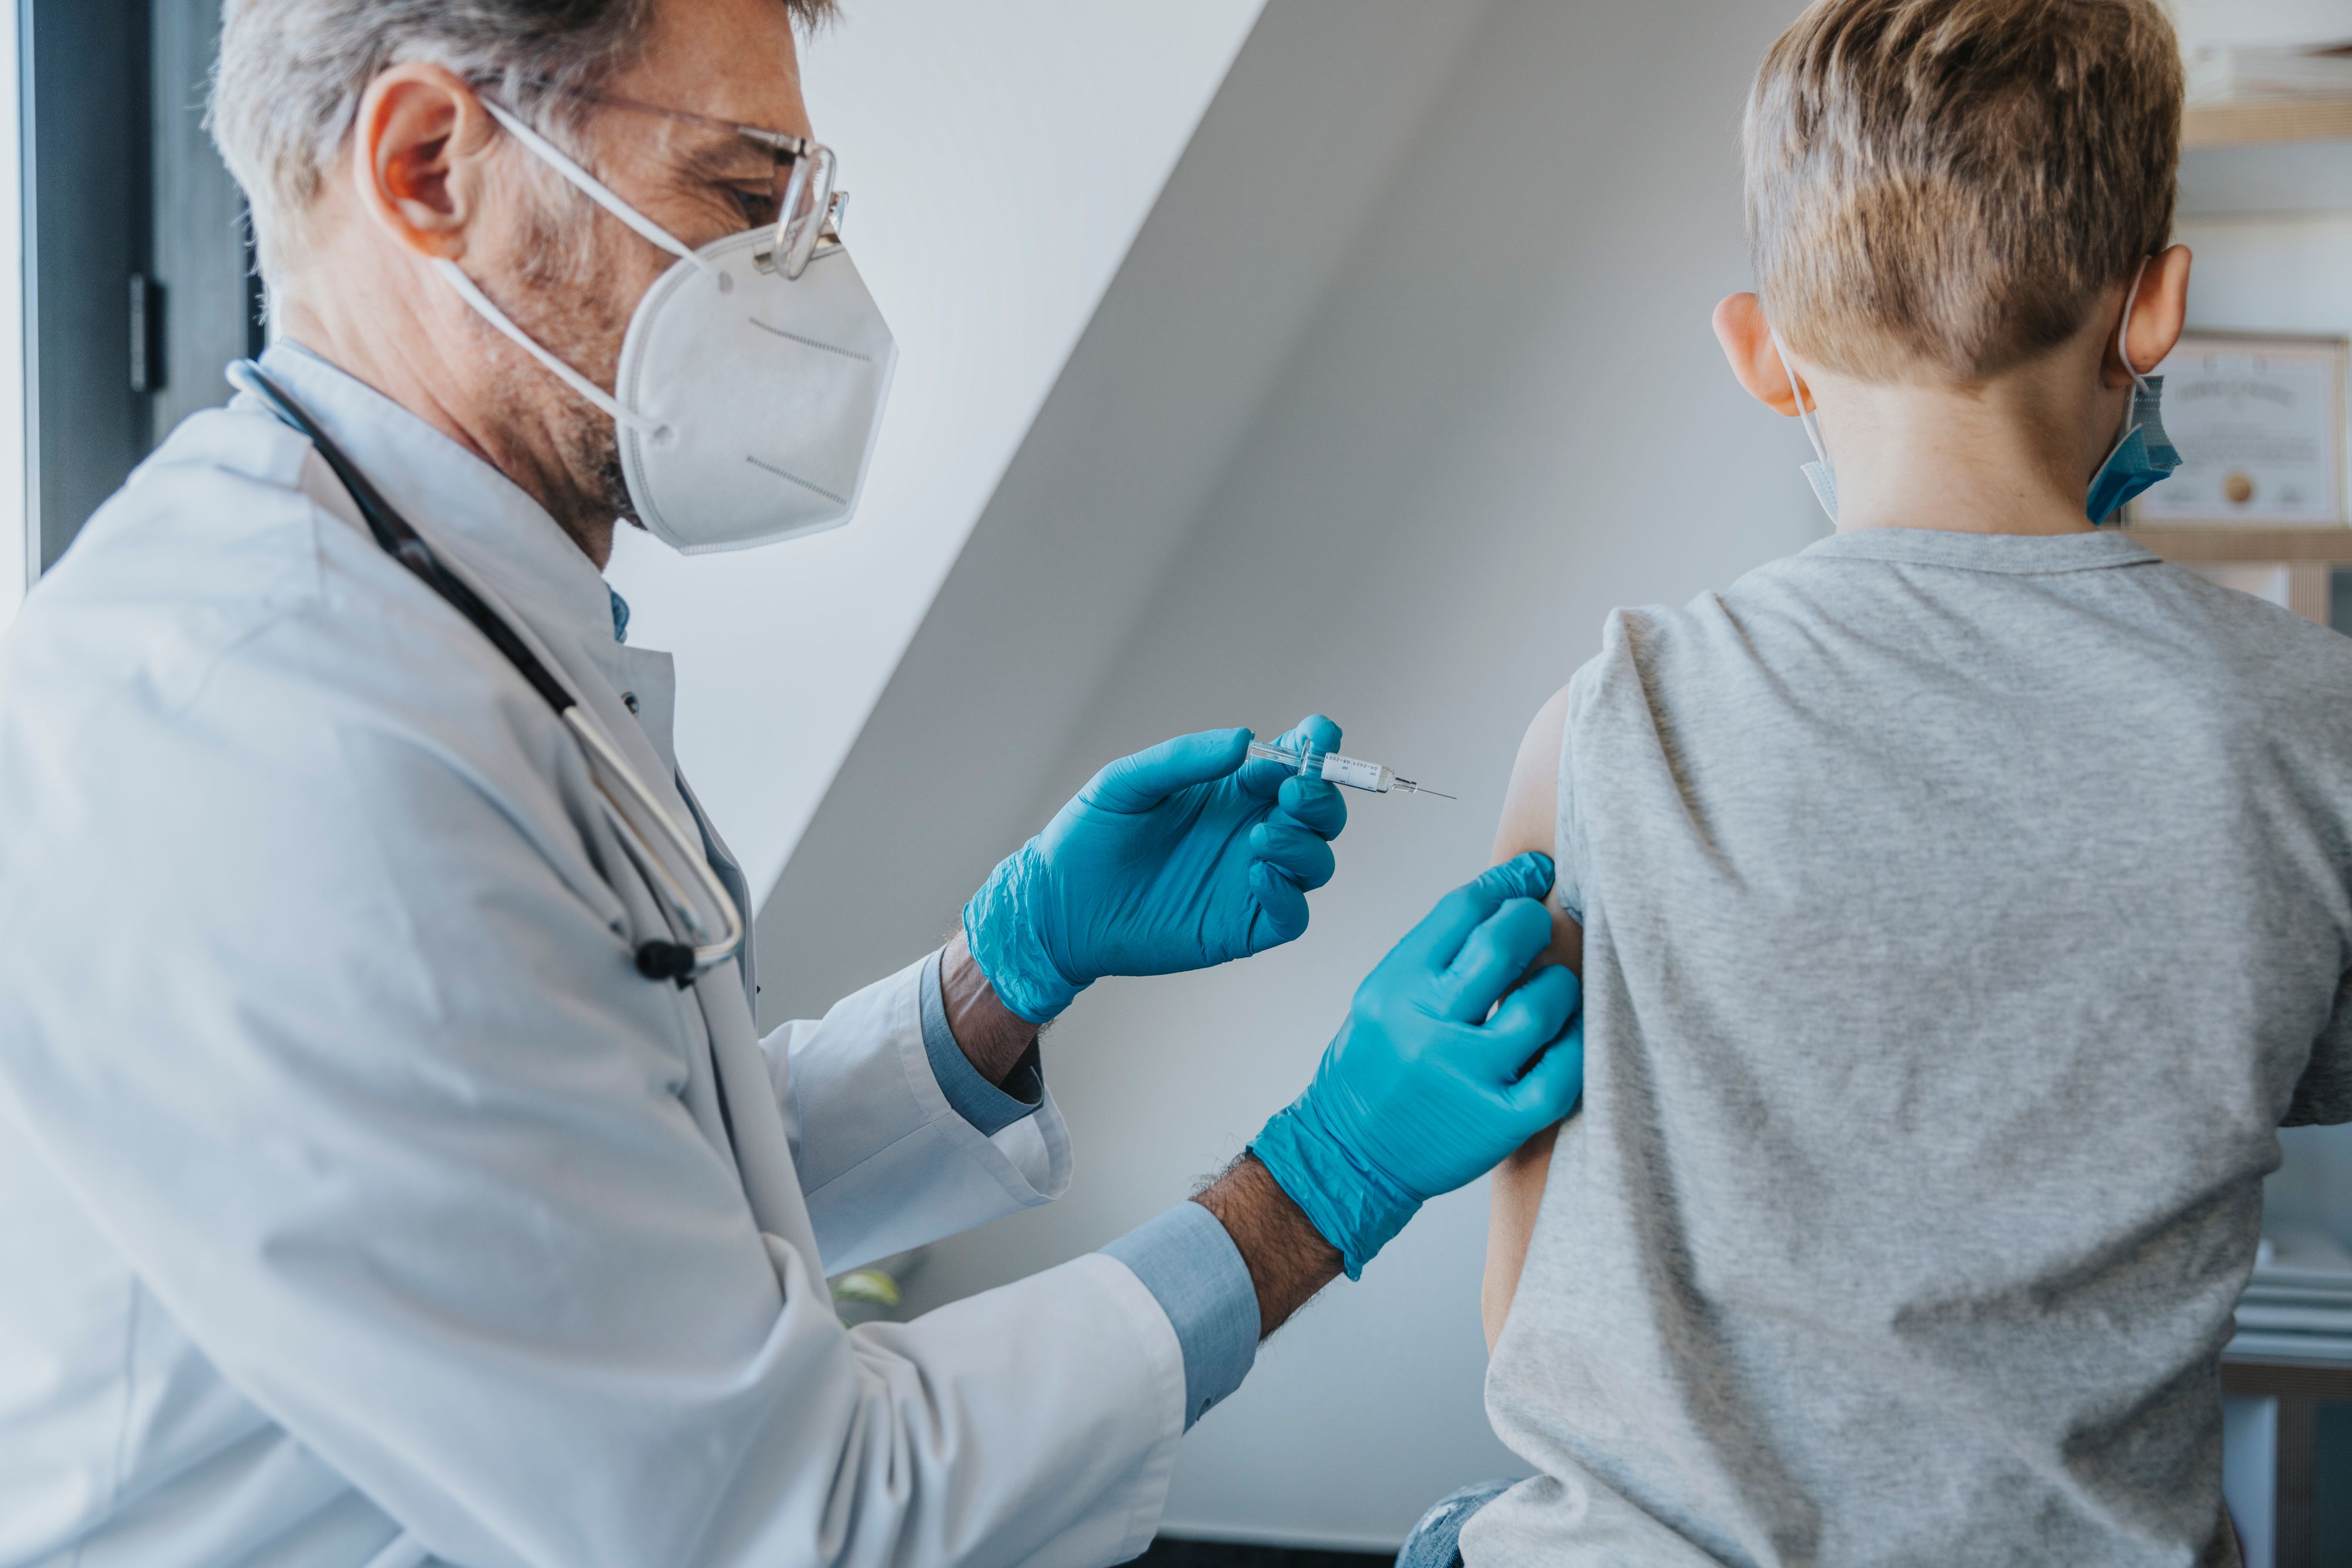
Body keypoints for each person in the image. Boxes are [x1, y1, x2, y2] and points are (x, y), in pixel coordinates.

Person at [0, 2, 1586, 1564]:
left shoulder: (441, 614)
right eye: (741, 197)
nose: (806, 284)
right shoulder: (287, 743)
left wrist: (1007, 971)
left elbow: (603, 1211)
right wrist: (1318, 1185)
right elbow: (786, 1516)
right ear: (429, 167)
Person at [1422, 0, 2352, 1563]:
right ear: (2156, 310)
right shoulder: (2310, 724)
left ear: (1758, 349)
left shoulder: (1607, 719)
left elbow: (1526, 1308)